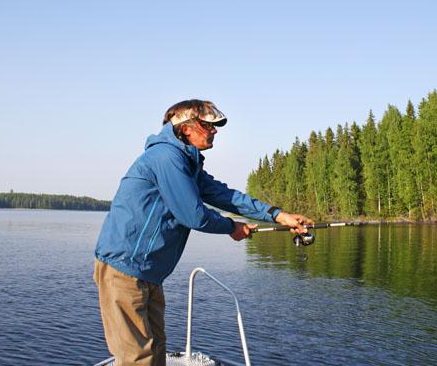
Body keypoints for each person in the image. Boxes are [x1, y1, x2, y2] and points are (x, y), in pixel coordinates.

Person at [93, 99, 313, 366]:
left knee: (156, 351)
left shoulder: (186, 163)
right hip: (125, 270)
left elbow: (224, 195)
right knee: (137, 358)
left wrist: (276, 214)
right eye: (209, 126)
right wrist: (232, 227)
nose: (215, 131)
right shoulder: (166, 158)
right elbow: (192, 214)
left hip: (148, 272)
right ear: (186, 129)